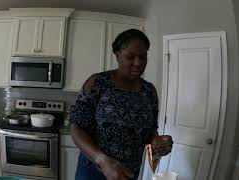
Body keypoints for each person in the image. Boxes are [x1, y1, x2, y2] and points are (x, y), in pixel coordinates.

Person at [69, 29, 172, 180]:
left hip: (128, 174)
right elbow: (76, 128)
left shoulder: (149, 91)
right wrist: (102, 160)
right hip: (93, 171)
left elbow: (150, 132)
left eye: (143, 57)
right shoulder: (97, 83)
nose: (138, 63)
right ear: (117, 55)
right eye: (130, 57)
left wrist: (158, 144)